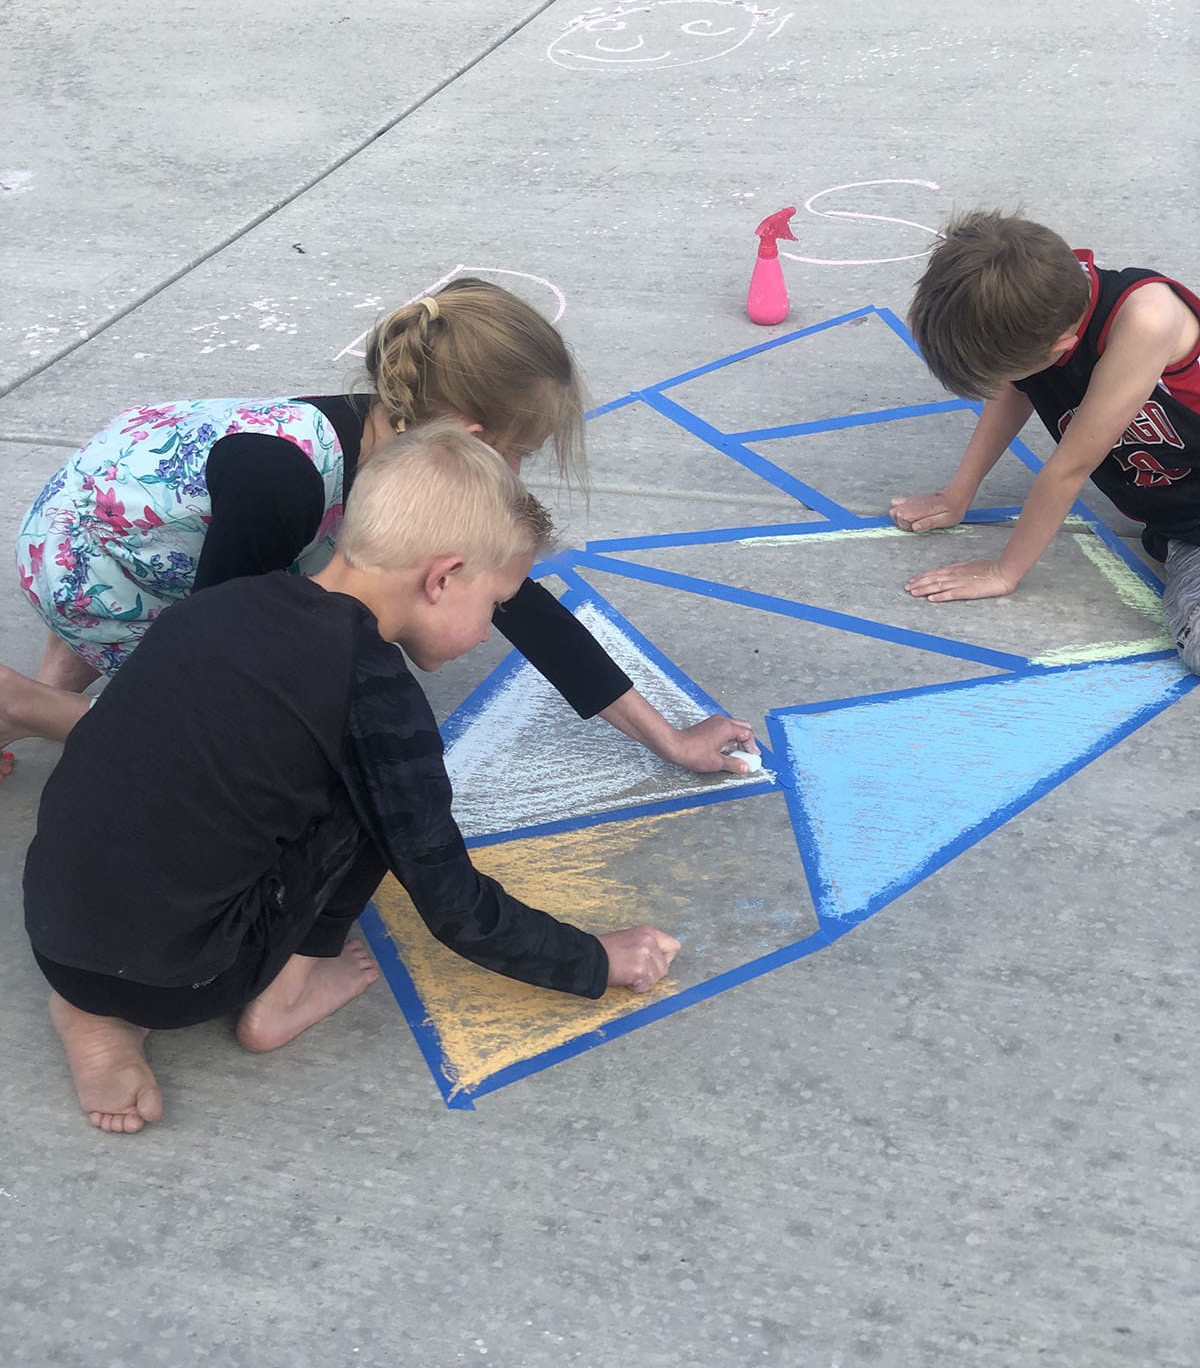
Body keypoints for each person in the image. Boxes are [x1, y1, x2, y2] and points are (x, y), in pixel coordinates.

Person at [24, 424, 683, 1135]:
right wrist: (593, 960)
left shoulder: (224, 601)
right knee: (388, 790)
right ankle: (282, 995)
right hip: (187, 979)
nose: (491, 628)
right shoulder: (372, 694)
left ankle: (93, 1012)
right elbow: (453, 905)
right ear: (442, 577)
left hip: (56, 929)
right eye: (495, 602)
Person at [3, 278, 755, 777]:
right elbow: (210, 660)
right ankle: (29, 706)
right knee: (223, 734)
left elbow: (517, 598)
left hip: (118, 520)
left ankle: (64, 672)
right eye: (520, 454)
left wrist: (671, 740)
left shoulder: (391, 436)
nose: (518, 477)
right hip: (86, 554)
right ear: (468, 431)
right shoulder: (287, 480)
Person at [890, 212, 1200, 669]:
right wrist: (958, 493)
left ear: (1060, 345)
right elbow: (1014, 390)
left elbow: (1069, 469)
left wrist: (1004, 570)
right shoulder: (1038, 301)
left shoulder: (1146, 318)